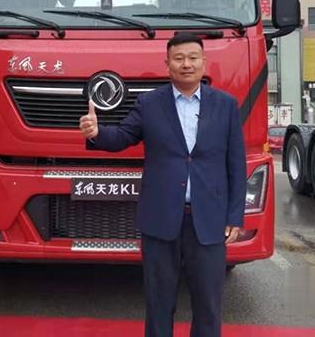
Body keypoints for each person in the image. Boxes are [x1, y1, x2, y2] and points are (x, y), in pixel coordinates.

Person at [79, 33, 246, 337]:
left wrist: (235, 215)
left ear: (204, 62)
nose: (186, 64)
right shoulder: (150, 103)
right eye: (178, 58)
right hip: (160, 219)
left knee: (208, 305)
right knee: (159, 303)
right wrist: (96, 132)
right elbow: (123, 137)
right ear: (167, 63)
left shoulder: (226, 105)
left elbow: (236, 164)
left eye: (193, 58)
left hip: (208, 220)